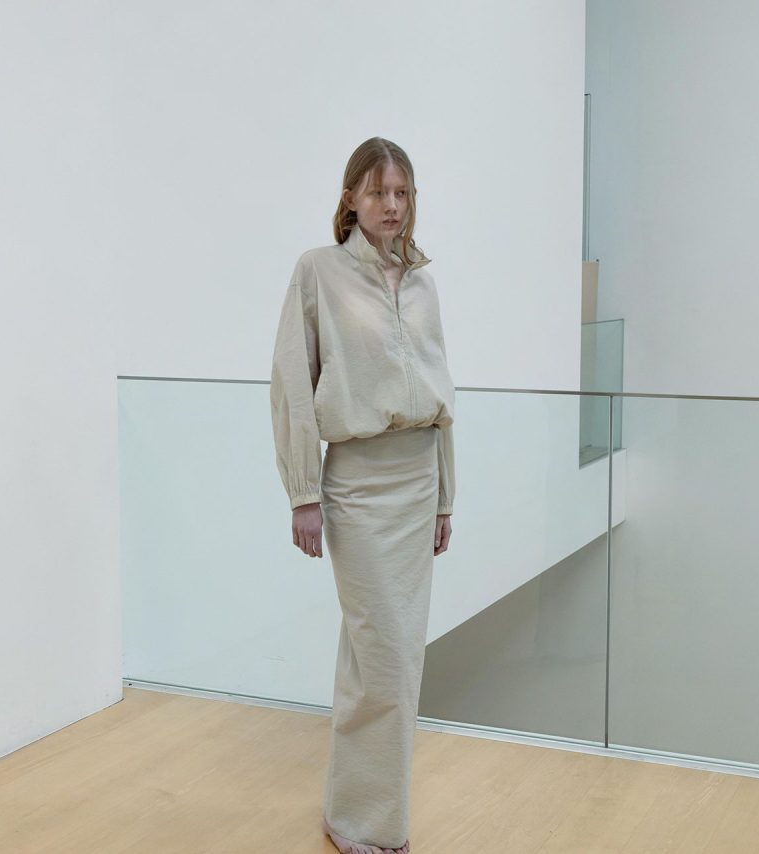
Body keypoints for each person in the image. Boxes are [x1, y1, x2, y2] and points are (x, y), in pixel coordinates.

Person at [269, 137, 457, 854]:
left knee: (394, 657)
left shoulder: (423, 283)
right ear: (351, 197)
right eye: (378, 191)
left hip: (418, 483)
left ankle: (359, 811)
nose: (392, 205)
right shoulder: (318, 272)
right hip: (358, 487)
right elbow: (292, 383)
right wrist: (303, 492)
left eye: (402, 193)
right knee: (383, 657)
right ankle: (365, 823)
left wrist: (445, 496)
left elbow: (443, 396)